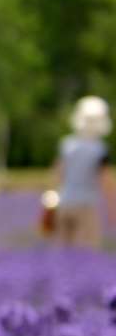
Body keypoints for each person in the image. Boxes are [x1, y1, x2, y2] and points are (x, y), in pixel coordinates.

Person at [53, 95, 116, 250]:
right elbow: (105, 180)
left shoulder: (67, 145)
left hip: (64, 204)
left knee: (64, 252)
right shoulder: (99, 149)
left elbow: (57, 174)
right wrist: (112, 209)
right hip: (86, 206)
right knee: (87, 252)